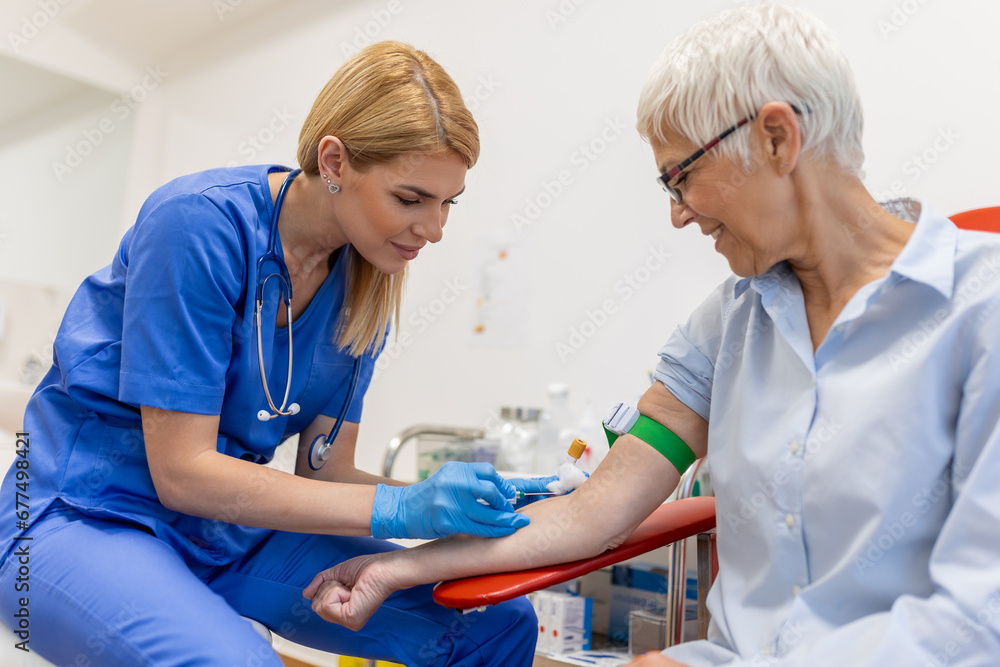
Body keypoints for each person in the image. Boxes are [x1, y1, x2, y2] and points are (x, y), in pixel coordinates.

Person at [302, 4, 1000, 666]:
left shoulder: (980, 309)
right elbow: (590, 512)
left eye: (680, 177)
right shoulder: (729, 324)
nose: (678, 215)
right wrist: (400, 562)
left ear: (777, 138)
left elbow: (978, 618)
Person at [0, 41, 547, 666]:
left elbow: (327, 474)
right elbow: (183, 473)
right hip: (79, 516)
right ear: (335, 160)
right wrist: (402, 507)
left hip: (227, 534)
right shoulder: (196, 225)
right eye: (411, 198)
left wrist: (463, 511)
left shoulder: (365, 279)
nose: (436, 228)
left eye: (449, 202)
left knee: (495, 619)